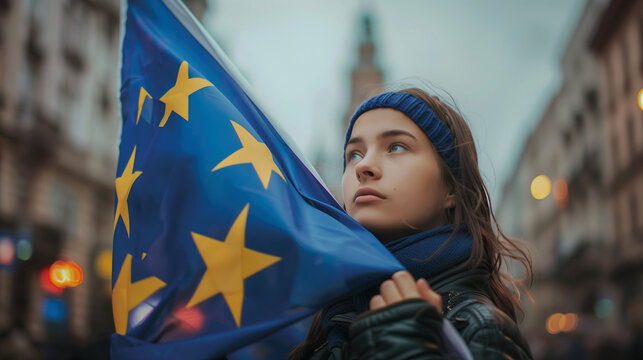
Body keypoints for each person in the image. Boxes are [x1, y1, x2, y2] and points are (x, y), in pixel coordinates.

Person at [287, 88, 534, 359]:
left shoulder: (479, 329)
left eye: (396, 147)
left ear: (451, 188)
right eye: (354, 154)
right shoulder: (326, 320)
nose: (363, 166)